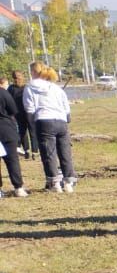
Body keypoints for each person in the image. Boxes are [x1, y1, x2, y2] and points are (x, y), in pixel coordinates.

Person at [24, 63, 75, 193]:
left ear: (33, 72)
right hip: (61, 121)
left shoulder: (30, 87)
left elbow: (29, 108)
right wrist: (66, 118)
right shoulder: (56, 88)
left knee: (48, 153)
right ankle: (69, 182)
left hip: (44, 120)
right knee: (65, 152)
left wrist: (32, 127)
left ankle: (54, 183)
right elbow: (66, 107)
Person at [0, 77, 29, 196]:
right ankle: (18, 187)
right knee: (12, 159)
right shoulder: (3, 93)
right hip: (6, 128)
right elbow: (13, 110)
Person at [9, 71, 35, 159]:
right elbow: (9, 101)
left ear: (22, 77)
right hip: (18, 113)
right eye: (15, 77)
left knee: (32, 130)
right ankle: (26, 150)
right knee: (22, 132)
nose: (17, 79)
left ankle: (35, 151)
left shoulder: (27, 87)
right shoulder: (11, 88)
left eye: (19, 77)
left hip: (29, 112)